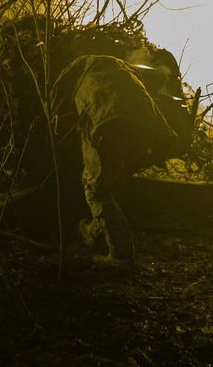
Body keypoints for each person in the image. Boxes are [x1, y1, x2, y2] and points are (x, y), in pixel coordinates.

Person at [62, 49, 191, 263]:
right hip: (152, 133)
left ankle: (121, 256)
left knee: (96, 190)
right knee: (108, 185)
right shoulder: (121, 67)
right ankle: (93, 231)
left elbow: (60, 108)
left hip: (110, 127)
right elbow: (159, 78)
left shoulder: (75, 74)